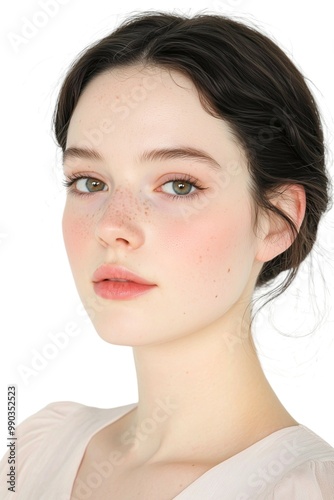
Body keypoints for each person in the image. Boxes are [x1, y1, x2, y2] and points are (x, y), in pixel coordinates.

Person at [1, 10, 334, 500]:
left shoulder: (306, 490)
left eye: (179, 185)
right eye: (89, 182)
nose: (113, 226)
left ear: (277, 220)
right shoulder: (29, 451)